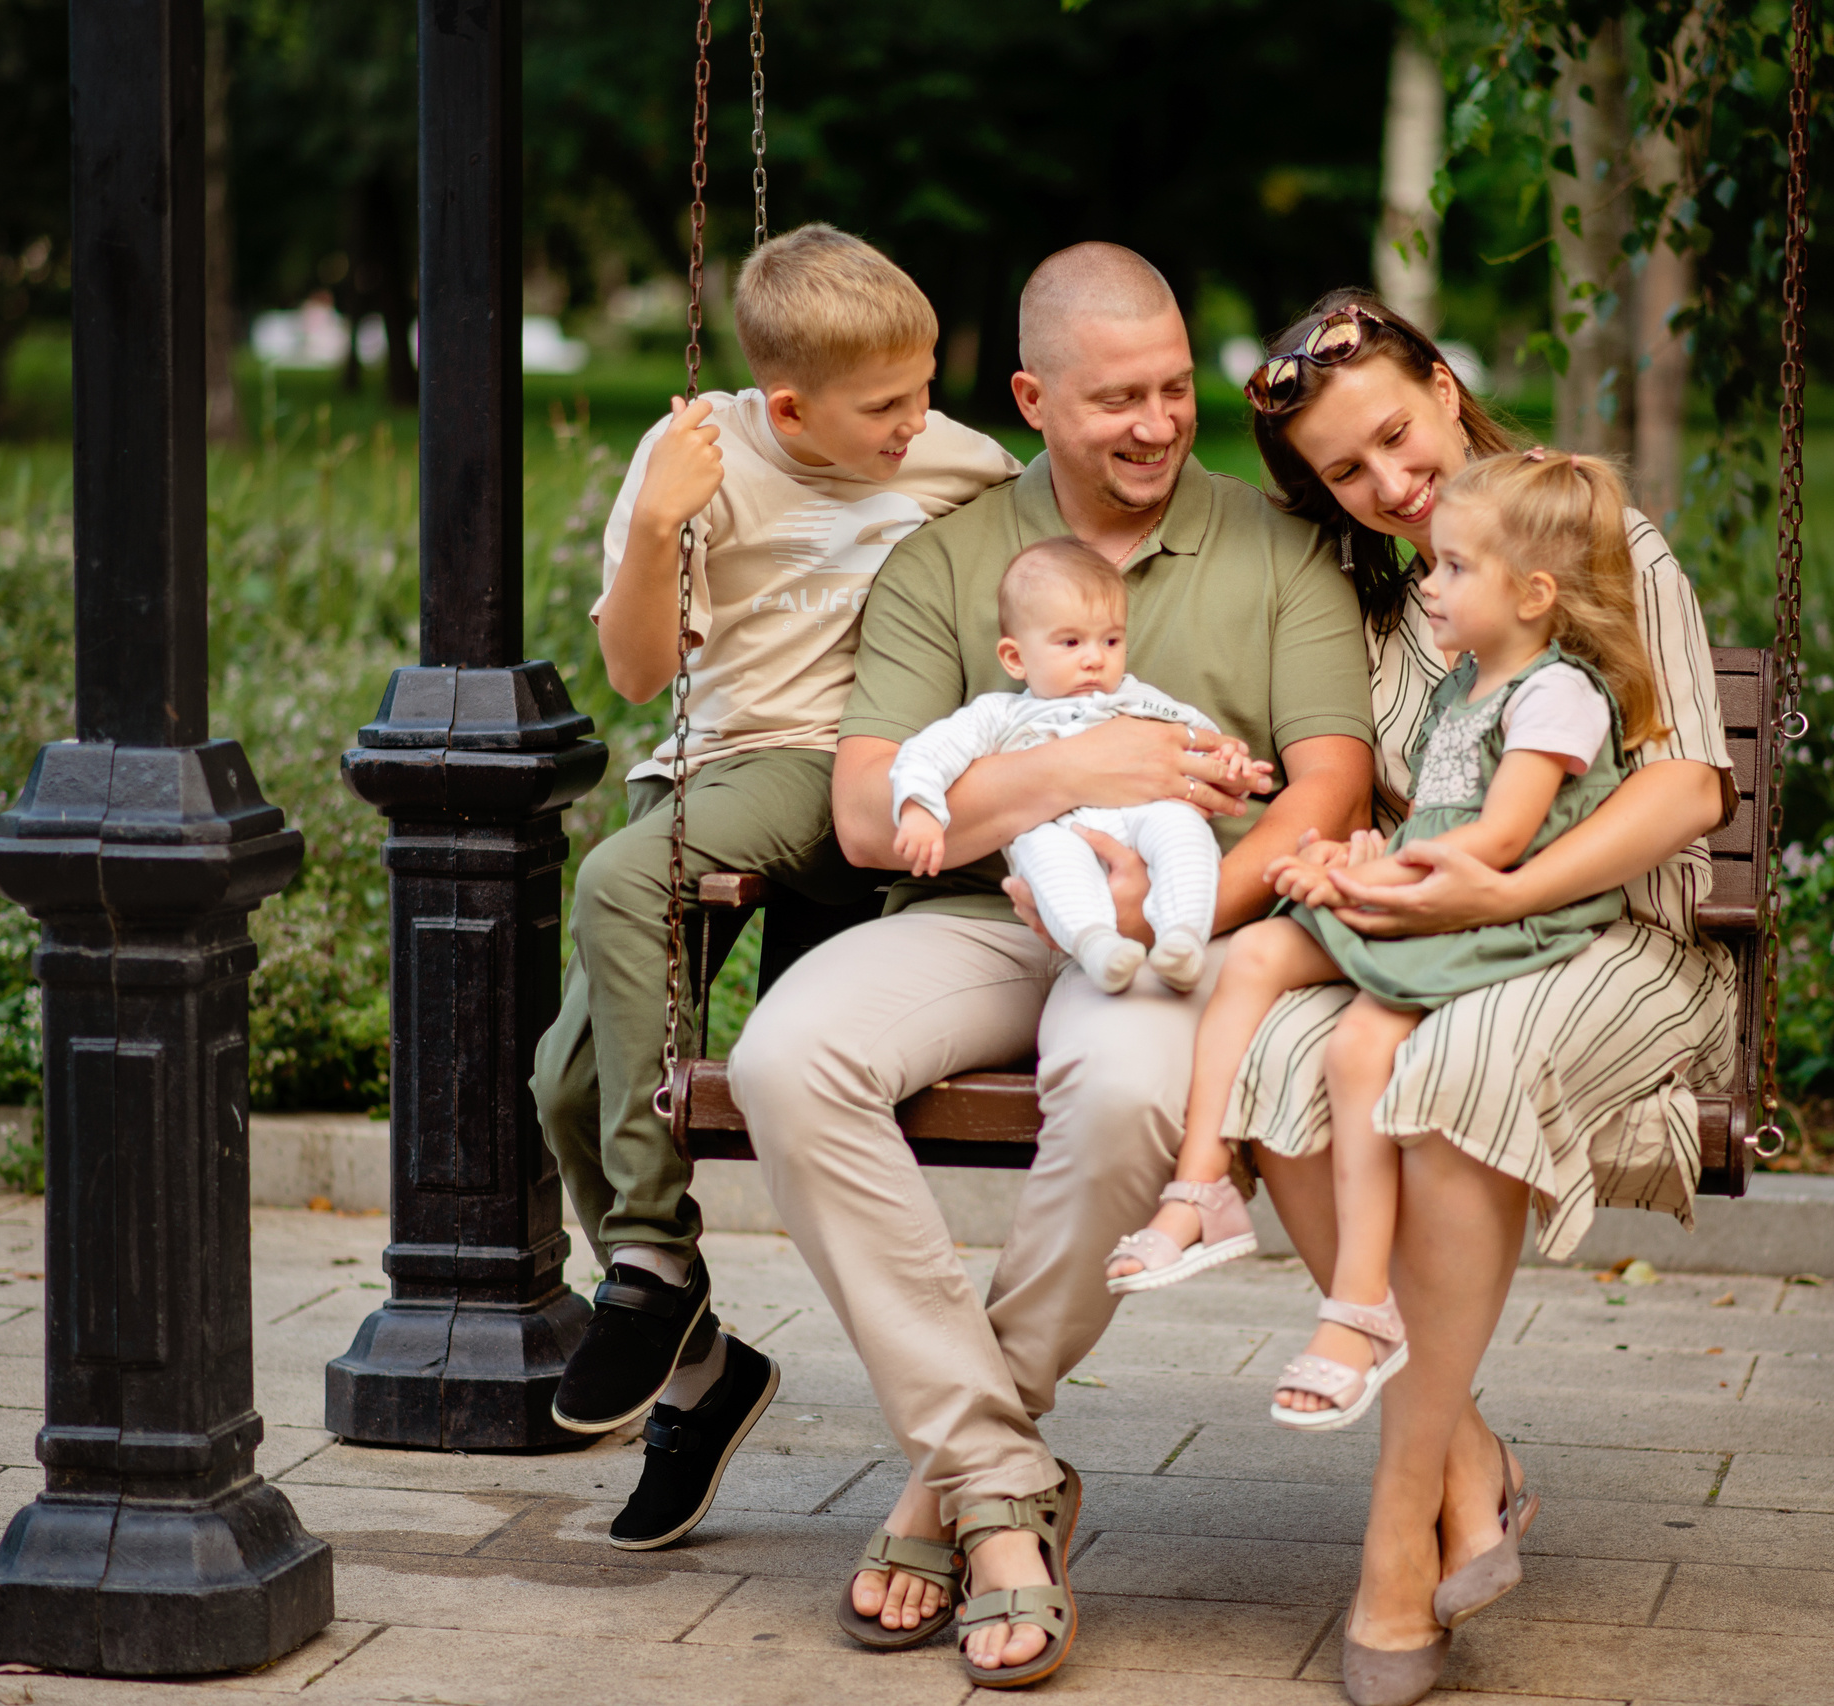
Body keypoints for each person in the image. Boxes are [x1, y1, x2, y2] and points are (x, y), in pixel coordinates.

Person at [726, 241, 1375, 1686]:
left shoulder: (1280, 551)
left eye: (1174, 389)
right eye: (1115, 400)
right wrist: (1082, 771)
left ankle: (965, 1490)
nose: (1155, 424)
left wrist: (1163, 887)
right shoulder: (952, 558)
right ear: (1031, 397)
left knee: (1136, 1091)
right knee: (784, 1055)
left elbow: (1328, 789)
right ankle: (1005, 1474)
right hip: (979, 913)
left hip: (1181, 926)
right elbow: (867, 814)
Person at [1207, 291, 1737, 1706]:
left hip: (1616, 941)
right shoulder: (1384, 601)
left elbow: (1688, 783)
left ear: (1445, 387)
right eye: (1346, 471)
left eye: (1394, 433)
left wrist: (1502, 892)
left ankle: (1400, 1528)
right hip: (1441, 942)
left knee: (1453, 1073)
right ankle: (1469, 1462)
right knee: (1273, 1056)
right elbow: (1390, 799)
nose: (1390, 483)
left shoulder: (1583, 537)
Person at [528, 223, 1019, 1550]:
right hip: (701, 766)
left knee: (625, 874)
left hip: (831, 767)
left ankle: (645, 1261)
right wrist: (651, 525)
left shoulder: (957, 458)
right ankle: (702, 1367)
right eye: (887, 406)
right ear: (789, 402)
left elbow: (1051, 527)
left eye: (925, 389)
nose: (918, 423)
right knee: (564, 1083)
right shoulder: (698, 454)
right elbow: (635, 676)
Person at [1107, 449, 1671, 1440]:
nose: (1432, 582)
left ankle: (1359, 1307)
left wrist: (1361, 879)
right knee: (1256, 957)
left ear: (1536, 594)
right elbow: (1433, 819)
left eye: (1455, 568)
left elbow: (1496, 840)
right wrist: (1355, 853)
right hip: (1426, 885)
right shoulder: (1467, 681)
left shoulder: (1556, 694)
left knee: (1357, 1048)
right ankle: (1199, 1189)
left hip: (1493, 913)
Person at [890, 537, 1263, 993]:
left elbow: (1200, 744)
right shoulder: (1000, 716)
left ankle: (1183, 936)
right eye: (1070, 642)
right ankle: (1098, 946)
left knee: (1184, 829)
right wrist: (919, 808)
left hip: (1143, 812)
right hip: (1057, 827)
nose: (1094, 658)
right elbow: (931, 751)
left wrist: (1232, 768)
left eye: (1111, 640)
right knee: (1044, 856)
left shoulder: (1139, 699)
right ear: (1015, 657)